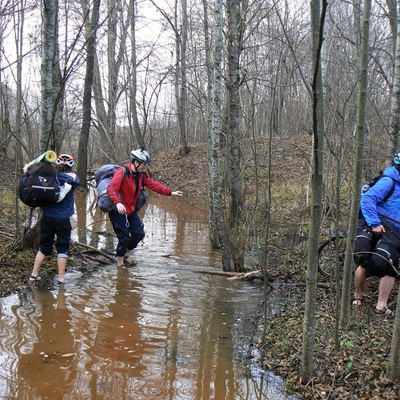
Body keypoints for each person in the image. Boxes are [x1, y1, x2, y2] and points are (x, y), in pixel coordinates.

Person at [107, 148, 183, 267]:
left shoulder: (140, 176)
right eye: (143, 165)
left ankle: (124, 253)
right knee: (124, 238)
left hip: (131, 211)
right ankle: (120, 266)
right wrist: (117, 202)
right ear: (136, 162)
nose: (144, 167)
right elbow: (111, 188)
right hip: (118, 211)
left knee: (139, 234)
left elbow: (153, 185)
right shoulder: (122, 172)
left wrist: (170, 192)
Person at [353, 152, 400, 316]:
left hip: (395, 229)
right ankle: (358, 294)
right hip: (378, 224)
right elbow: (367, 199)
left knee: (389, 266)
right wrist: (375, 223)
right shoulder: (389, 182)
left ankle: (381, 305)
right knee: (366, 260)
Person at [28, 154, 80, 285]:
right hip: (63, 218)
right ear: (71, 166)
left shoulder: (50, 177)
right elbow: (77, 180)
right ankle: (61, 279)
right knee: (62, 248)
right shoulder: (73, 179)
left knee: (44, 246)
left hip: (48, 216)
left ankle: (33, 275)